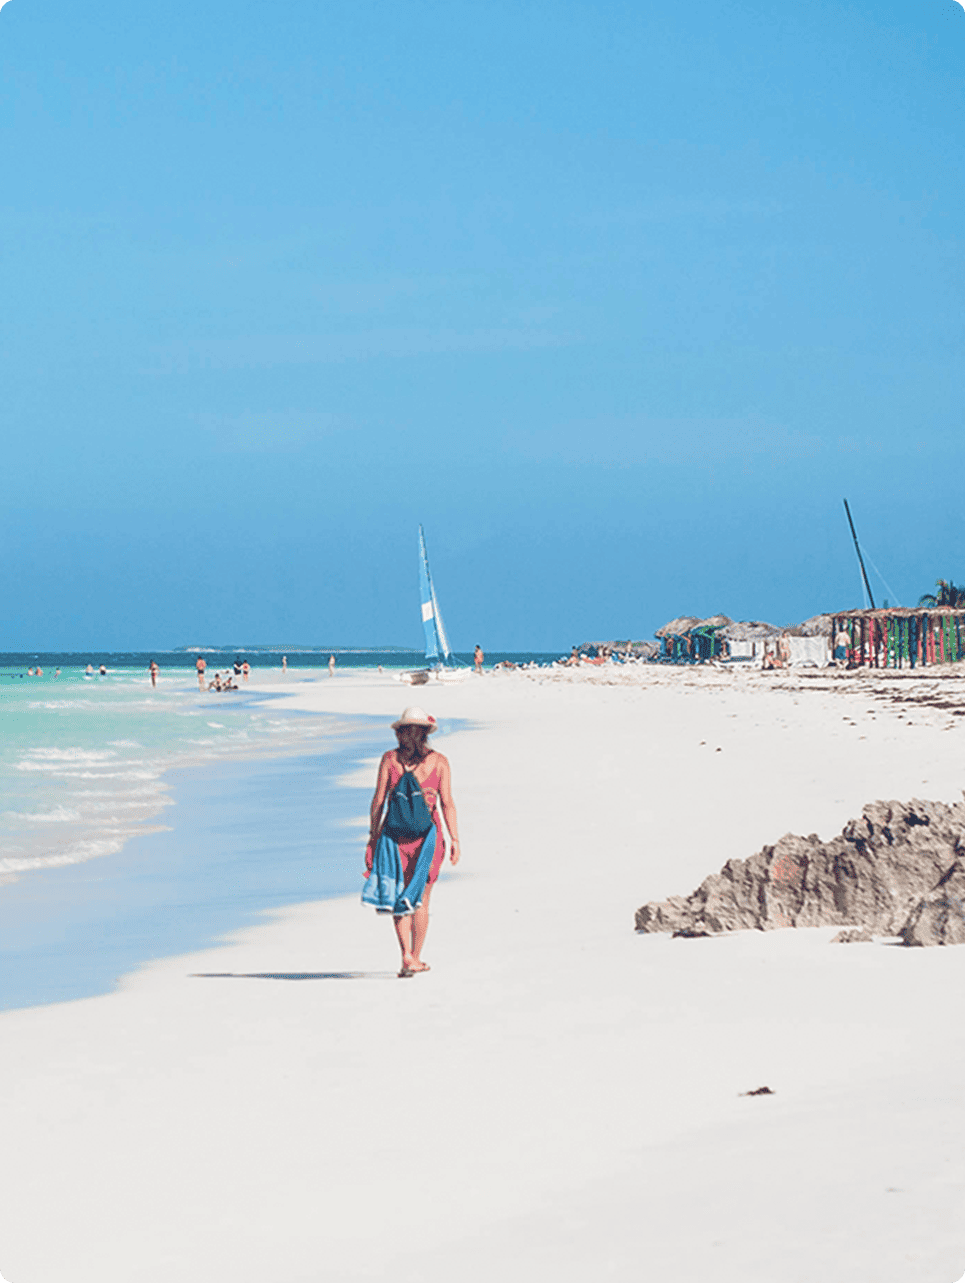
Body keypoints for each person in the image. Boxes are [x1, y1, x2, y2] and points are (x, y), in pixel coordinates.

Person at [362, 706, 461, 977]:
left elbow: (379, 801)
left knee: (399, 895)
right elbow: (447, 803)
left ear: (401, 733)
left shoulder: (389, 760)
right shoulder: (439, 762)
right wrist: (455, 839)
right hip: (428, 838)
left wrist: (373, 836)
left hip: (394, 838)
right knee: (422, 900)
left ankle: (405, 954)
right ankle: (415, 956)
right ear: (426, 734)